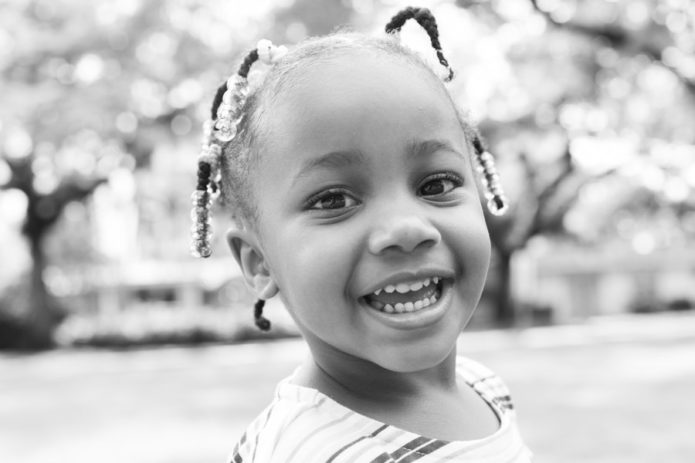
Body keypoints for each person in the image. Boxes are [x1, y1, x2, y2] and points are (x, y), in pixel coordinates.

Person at [190, 6, 531, 462]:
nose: (406, 229)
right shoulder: (316, 452)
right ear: (259, 262)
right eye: (333, 200)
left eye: (437, 185)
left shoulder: (484, 388)